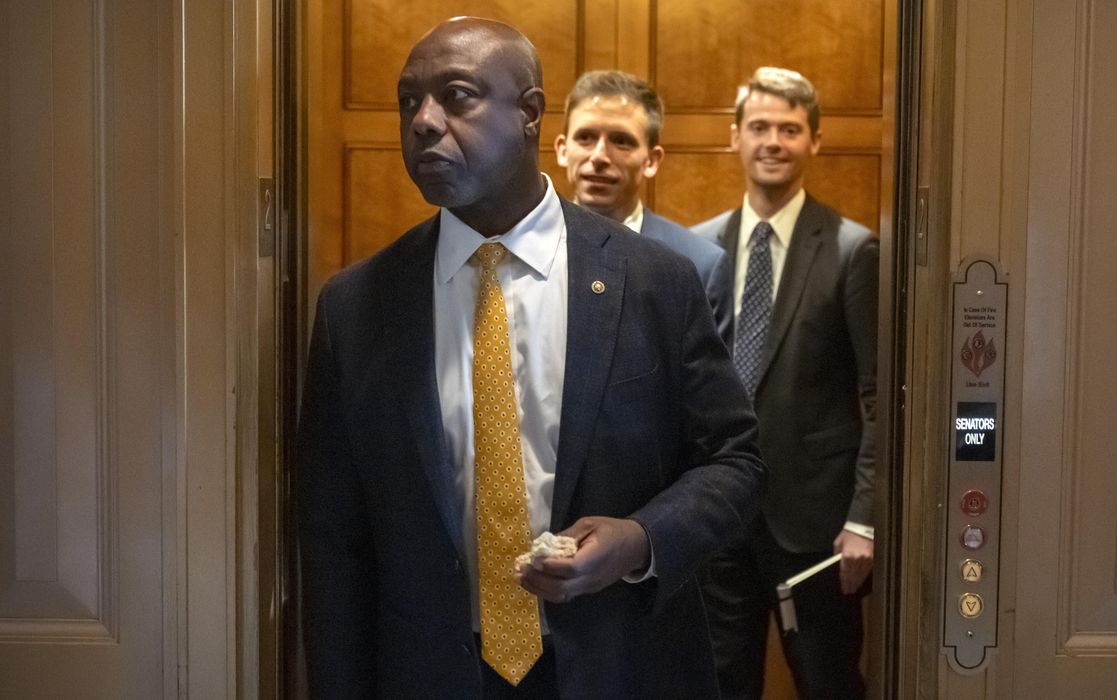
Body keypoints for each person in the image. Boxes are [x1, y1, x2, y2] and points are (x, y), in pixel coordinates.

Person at [297, 17, 765, 699]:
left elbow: (736, 462)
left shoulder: (653, 281)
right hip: (431, 676)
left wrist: (640, 539)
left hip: (619, 667)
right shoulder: (357, 306)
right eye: (408, 101)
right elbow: (331, 537)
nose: (424, 121)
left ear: (530, 113)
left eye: (456, 96)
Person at [693, 67, 878, 699]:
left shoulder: (854, 250)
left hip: (817, 528)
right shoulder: (698, 250)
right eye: (760, 127)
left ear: (814, 142)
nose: (773, 141)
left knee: (828, 684)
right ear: (736, 137)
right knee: (721, 687)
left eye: (790, 130)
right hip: (719, 519)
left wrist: (864, 519)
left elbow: (877, 397)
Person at [554, 70, 732, 344]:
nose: (599, 156)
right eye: (585, 137)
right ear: (563, 150)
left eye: (621, 141)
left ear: (652, 160)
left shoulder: (700, 265)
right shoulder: (521, 251)